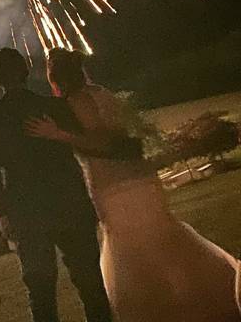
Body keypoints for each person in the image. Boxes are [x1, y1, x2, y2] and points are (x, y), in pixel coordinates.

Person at [26, 48, 241, 322]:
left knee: (133, 253)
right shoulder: (103, 94)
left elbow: (105, 141)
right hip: (141, 180)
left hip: (116, 187)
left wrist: (59, 135)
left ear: (56, 80)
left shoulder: (79, 101)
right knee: (166, 240)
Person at [0, 48, 112, 322]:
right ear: (27, 72)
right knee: (91, 285)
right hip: (70, 203)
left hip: (27, 213)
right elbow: (84, 143)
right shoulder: (55, 107)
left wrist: (1, 213)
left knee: (40, 292)